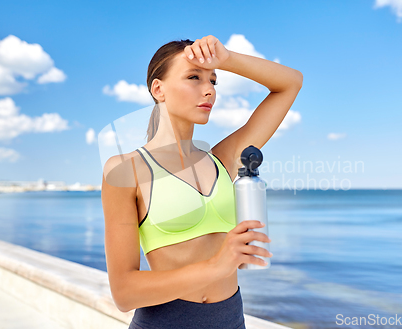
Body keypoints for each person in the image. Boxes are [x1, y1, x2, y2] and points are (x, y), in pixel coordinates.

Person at [101, 35, 303, 329]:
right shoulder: (125, 169)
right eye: (194, 77)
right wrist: (217, 265)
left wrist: (226, 58)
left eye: (213, 80)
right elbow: (124, 292)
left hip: (231, 320)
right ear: (159, 89)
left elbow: (290, 83)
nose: (208, 90)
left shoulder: (223, 160)